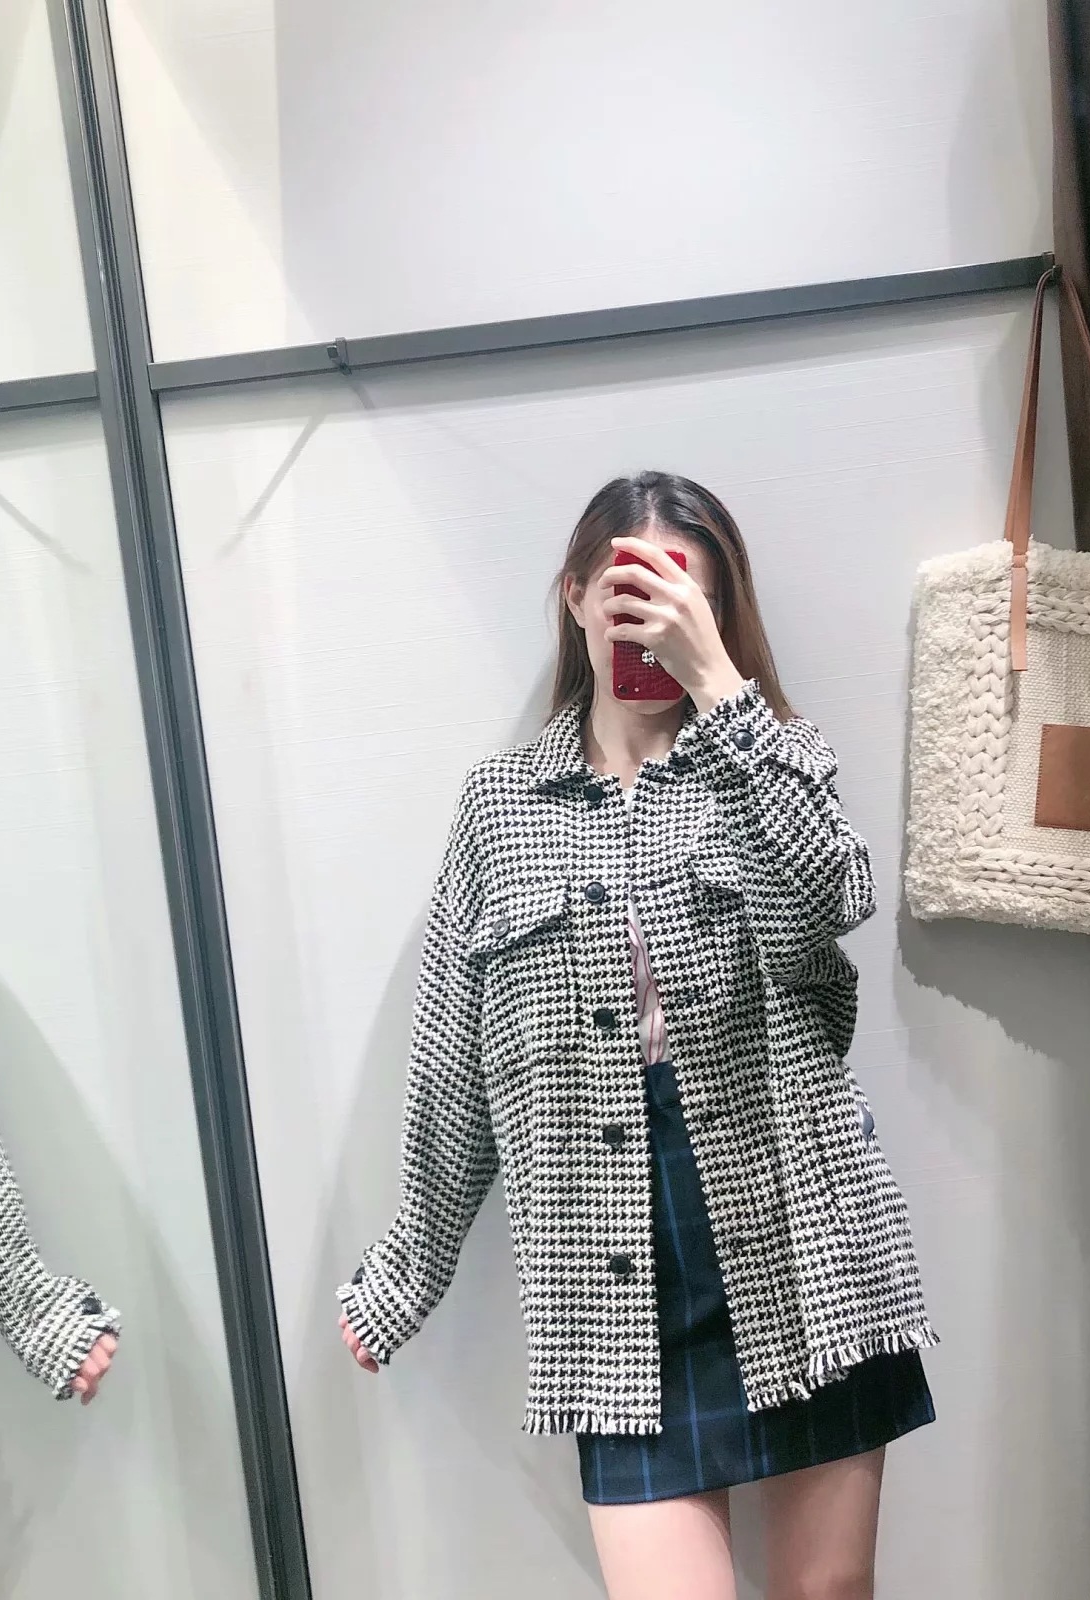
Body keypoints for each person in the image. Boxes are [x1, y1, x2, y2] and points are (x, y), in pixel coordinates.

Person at [337, 471, 936, 1599]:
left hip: (799, 1226)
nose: (648, 621)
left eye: (680, 597)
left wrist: (721, 689)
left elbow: (835, 899)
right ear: (574, 595)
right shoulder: (500, 806)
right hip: (608, 1265)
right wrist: (406, 1272)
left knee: (826, 1593)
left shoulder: (772, 761)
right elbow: (454, 1060)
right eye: (626, 593)